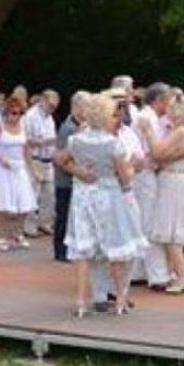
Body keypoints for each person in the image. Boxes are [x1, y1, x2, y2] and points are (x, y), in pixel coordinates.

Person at [60, 94, 146, 317]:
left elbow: (61, 160)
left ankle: (80, 301)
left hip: (83, 198)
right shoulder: (113, 144)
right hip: (109, 198)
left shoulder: (76, 140)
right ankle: (120, 299)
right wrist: (132, 169)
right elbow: (125, 177)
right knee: (116, 250)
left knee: (82, 251)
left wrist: (79, 172)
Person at [138, 94, 184, 294]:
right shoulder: (181, 132)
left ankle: (183, 275)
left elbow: (157, 152)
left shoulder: (180, 131)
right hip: (173, 179)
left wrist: (148, 132)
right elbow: (165, 156)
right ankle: (177, 273)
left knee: (170, 230)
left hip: (173, 181)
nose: (167, 111)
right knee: (169, 227)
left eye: (171, 108)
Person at [130, 83, 173, 289]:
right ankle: (157, 275)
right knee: (150, 222)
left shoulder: (149, 118)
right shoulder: (147, 119)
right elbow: (152, 153)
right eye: (167, 99)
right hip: (145, 174)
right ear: (158, 100)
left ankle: (139, 270)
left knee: (143, 221)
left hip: (145, 173)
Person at [0, 96, 37, 252]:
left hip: (19, 167)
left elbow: (26, 150)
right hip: (2, 168)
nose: (16, 117)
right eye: (13, 113)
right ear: (6, 113)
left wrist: (31, 169)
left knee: (25, 203)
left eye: (19, 113)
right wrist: (1, 160)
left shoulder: (23, 126)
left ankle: (18, 233)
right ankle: (1, 235)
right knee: (2, 205)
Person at [53, 91, 91, 262]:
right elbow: (61, 156)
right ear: (76, 107)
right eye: (86, 107)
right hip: (65, 181)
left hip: (74, 178)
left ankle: (67, 248)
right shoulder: (68, 128)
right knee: (64, 214)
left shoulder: (82, 126)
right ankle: (60, 249)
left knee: (71, 215)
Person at [24, 89, 60, 237]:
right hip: (35, 158)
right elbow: (25, 140)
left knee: (49, 194)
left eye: (55, 107)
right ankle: (29, 226)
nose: (53, 109)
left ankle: (44, 222)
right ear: (43, 101)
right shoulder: (30, 116)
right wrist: (43, 142)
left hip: (48, 159)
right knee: (34, 193)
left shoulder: (49, 118)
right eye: (51, 105)